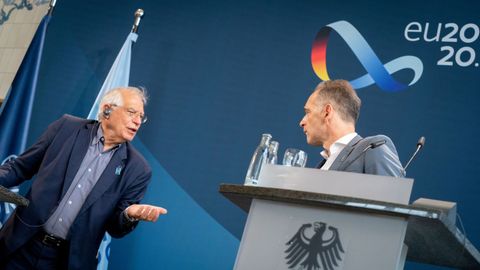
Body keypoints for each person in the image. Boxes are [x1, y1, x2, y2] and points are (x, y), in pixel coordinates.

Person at [0, 87, 167, 270]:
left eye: (141, 117)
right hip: (21, 245)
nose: (137, 121)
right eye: (131, 112)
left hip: (68, 261)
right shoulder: (66, 127)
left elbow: (116, 227)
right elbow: (19, 168)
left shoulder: (138, 170)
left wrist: (129, 215)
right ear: (107, 110)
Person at [299, 80, 404, 177]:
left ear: (327, 112)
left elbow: (390, 195)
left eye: (308, 112)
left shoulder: (373, 148)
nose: (301, 122)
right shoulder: (321, 166)